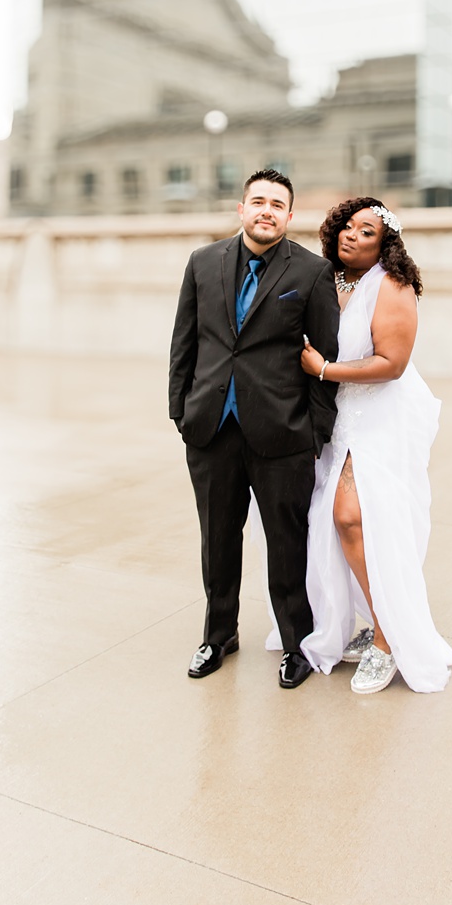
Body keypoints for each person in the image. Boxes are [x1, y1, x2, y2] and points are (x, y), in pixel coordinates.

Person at [168, 168, 339, 689]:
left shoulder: (311, 273)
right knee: (217, 540)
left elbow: (325, 357)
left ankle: (296, 644)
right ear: (242, 209)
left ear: (289, 215)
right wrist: (181, 412)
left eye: (277, 204)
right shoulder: (203, 262)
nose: (266, 210)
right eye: (257, 201)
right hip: (211, 429)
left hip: (281, 434)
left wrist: (315, 433)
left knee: (287, 543)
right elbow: (185, 343)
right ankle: (218, 635)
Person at [299, 197, 452, 694]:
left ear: (384, 242)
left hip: (381, 413)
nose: (352, 235)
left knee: (355, 514)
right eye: (347, 226)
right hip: (339, 414)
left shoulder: (393, 284)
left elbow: (390, 363)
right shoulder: (328, 279)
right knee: (339, 520)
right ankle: (375, 620)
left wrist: (324, 370)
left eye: (366, 231)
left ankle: (391, 639)